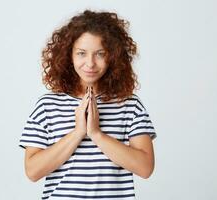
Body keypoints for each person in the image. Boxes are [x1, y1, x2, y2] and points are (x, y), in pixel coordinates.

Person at [19, 9, 157, 200]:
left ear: (113, 57)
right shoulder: (47, 105)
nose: (90, 63)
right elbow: (32, 171)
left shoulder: (130, 105)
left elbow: (145, 168)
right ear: (69, 55)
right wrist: (78, 133)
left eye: (100, 54)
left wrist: (96, 134)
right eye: (81, 53)